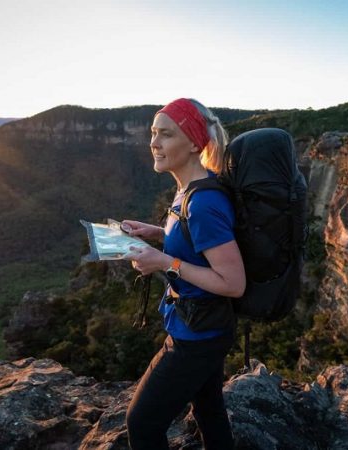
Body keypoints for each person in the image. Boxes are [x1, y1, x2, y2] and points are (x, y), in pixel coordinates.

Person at [122, 98, 246, 450]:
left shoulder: (204, 203)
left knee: (142, 421)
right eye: (152, 133)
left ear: (194, 143)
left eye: (165, 134)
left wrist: (165, 263)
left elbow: (233, 284)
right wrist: (157, 233)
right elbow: (196, 242)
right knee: (208, 409)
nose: (154, 143)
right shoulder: (188, 190)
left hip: (198, 336)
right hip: (205, 326)